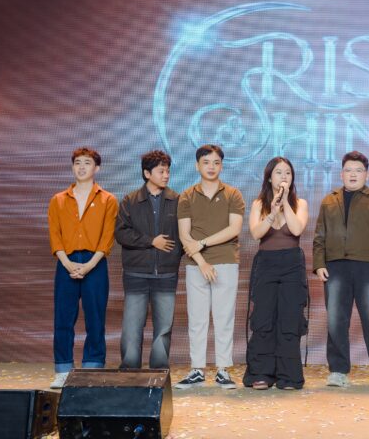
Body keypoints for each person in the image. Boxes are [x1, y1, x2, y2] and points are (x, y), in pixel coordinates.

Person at [313, 151, 369, 388]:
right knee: (336, 320)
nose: (353, 174)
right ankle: (338, 371)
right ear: (341, 174)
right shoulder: (329, 201)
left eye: (358, 170)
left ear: (367, 175)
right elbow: (320, 235)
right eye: (348, 170)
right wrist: (319, 264)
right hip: (335, 266)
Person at [47, 147, 118, 389]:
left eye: (87, 163)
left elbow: (107, 237)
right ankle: (63, 369)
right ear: (72, 167)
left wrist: (88, 265)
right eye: (77, 162)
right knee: (63, 318)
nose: (82, 167)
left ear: (97, 168)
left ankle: (92, 368)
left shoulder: (108, 200)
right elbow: (55, 235)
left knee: (95, 318)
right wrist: (67, 262)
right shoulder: (58, 200)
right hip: (65, 261)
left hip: (94, 262)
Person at [175, 145, 245, 390]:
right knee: (197, 319)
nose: (211, 167)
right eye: (206, 162)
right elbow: (184, 235)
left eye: (216, 162)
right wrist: (202, 261)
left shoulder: (233, 194)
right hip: (196, 265)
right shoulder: (187, 196)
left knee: (224, 317)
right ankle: (197, 369)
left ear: (222, 166)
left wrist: (203, 243)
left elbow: (234, 229)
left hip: (225, 261)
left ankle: (223, 370)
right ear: (197, 166)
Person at [243, 157, 309, 390]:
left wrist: (285, 202)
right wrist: (272, 212)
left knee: (290, 319)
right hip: (266, 264)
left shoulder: (300, 203)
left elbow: (297, 229)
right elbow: (256, 233)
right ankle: (261, 373)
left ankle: (288, 375)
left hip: (292, 264)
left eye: (288, 173)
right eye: (279, 172)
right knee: (264, 318)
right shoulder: (258, 204)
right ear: (269, 177)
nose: (284, 177)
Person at [115, 150, 182, 370]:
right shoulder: (130, 201)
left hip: (166, 273)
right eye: (161, 171)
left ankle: (159, 371)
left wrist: (172, 255)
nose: (166, 175)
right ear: (147, 173)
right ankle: (130, 369)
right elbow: (121, 233)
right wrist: (151, 241)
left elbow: (184, 235)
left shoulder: (177, 200)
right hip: (136, 273)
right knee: (132, 326)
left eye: (168, 171)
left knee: (164, 327)